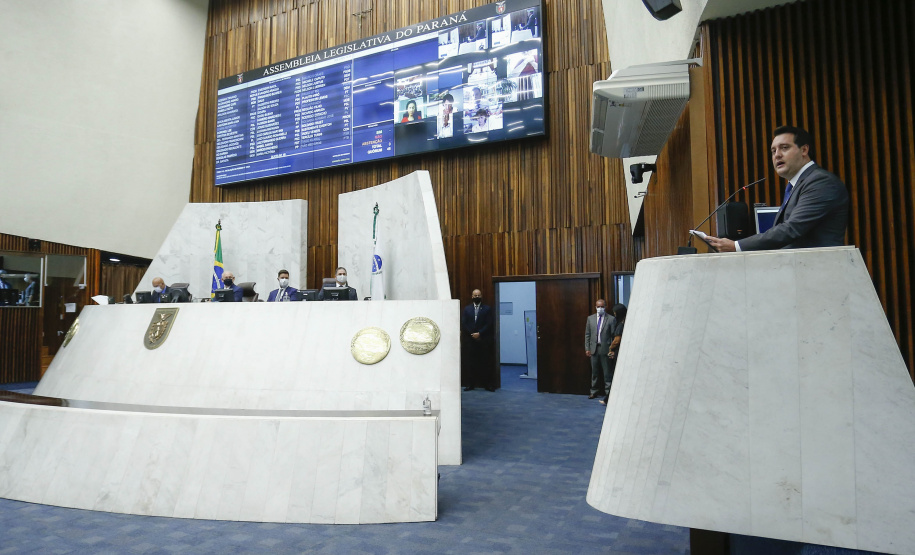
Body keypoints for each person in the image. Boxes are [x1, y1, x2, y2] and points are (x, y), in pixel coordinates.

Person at [705, 125, 849, 251]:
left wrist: (736, 246)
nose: (777, 155)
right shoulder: (797, 185)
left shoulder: (820, 182)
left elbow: (792, 229)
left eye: (784, 148)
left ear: (804, 150)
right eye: (773, 151)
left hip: (820, 272)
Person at [461, 289, 494, 391]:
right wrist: (473, 334)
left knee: (485, 363)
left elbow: (489, 323)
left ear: (481, 296)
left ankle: (487, 385)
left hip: (483, 340)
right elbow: (464, 323)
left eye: (478, 295)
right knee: (471, 364)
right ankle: (471, 385)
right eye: (475, 295)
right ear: (472, 296)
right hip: (470, 341)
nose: (477, 297)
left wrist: (479, 333)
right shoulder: (467, 309)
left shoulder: (487, 309)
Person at [585, 299, 613, 399]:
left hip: (606, 348)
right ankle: (594, 391)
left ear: (605, 307)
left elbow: (613, 335)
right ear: (595, 307)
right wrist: (587, 348)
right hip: (594, 349)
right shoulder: (590, 318)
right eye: (598, 306)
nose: (600, 308)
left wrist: (612, 349)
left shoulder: (611, 319)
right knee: (594, 372)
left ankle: (608, 393)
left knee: (607, 373)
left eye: (602, 306)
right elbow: (587, 334)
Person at [600, 304, 627, 406]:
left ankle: (608, 399)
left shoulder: (620, 325)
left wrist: (611, 349)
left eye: (615, 313)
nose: (614, 315)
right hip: (620, 352)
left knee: (615, 377)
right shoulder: (625, 322)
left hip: (618, 354)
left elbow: (616, 340)